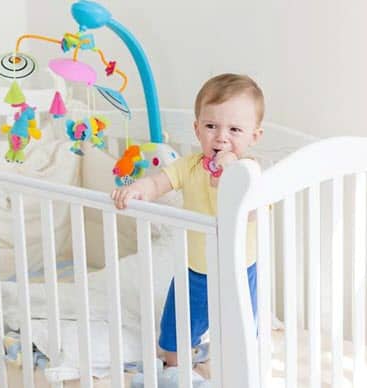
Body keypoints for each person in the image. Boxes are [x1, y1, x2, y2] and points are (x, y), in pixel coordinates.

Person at [112, 73, 264, 386]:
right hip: (198, 267)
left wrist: (233, 177)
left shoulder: (250, 172)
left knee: (244, 326)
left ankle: (242, 367)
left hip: (241, 267)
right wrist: (138, 188)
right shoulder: (190, 165)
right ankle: (174, 367)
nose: (221, 138)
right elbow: (159, 181)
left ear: (254, 136)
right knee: (178, 321)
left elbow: (255, 212)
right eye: (211, 126)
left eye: (234, 130)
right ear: (197, 129)